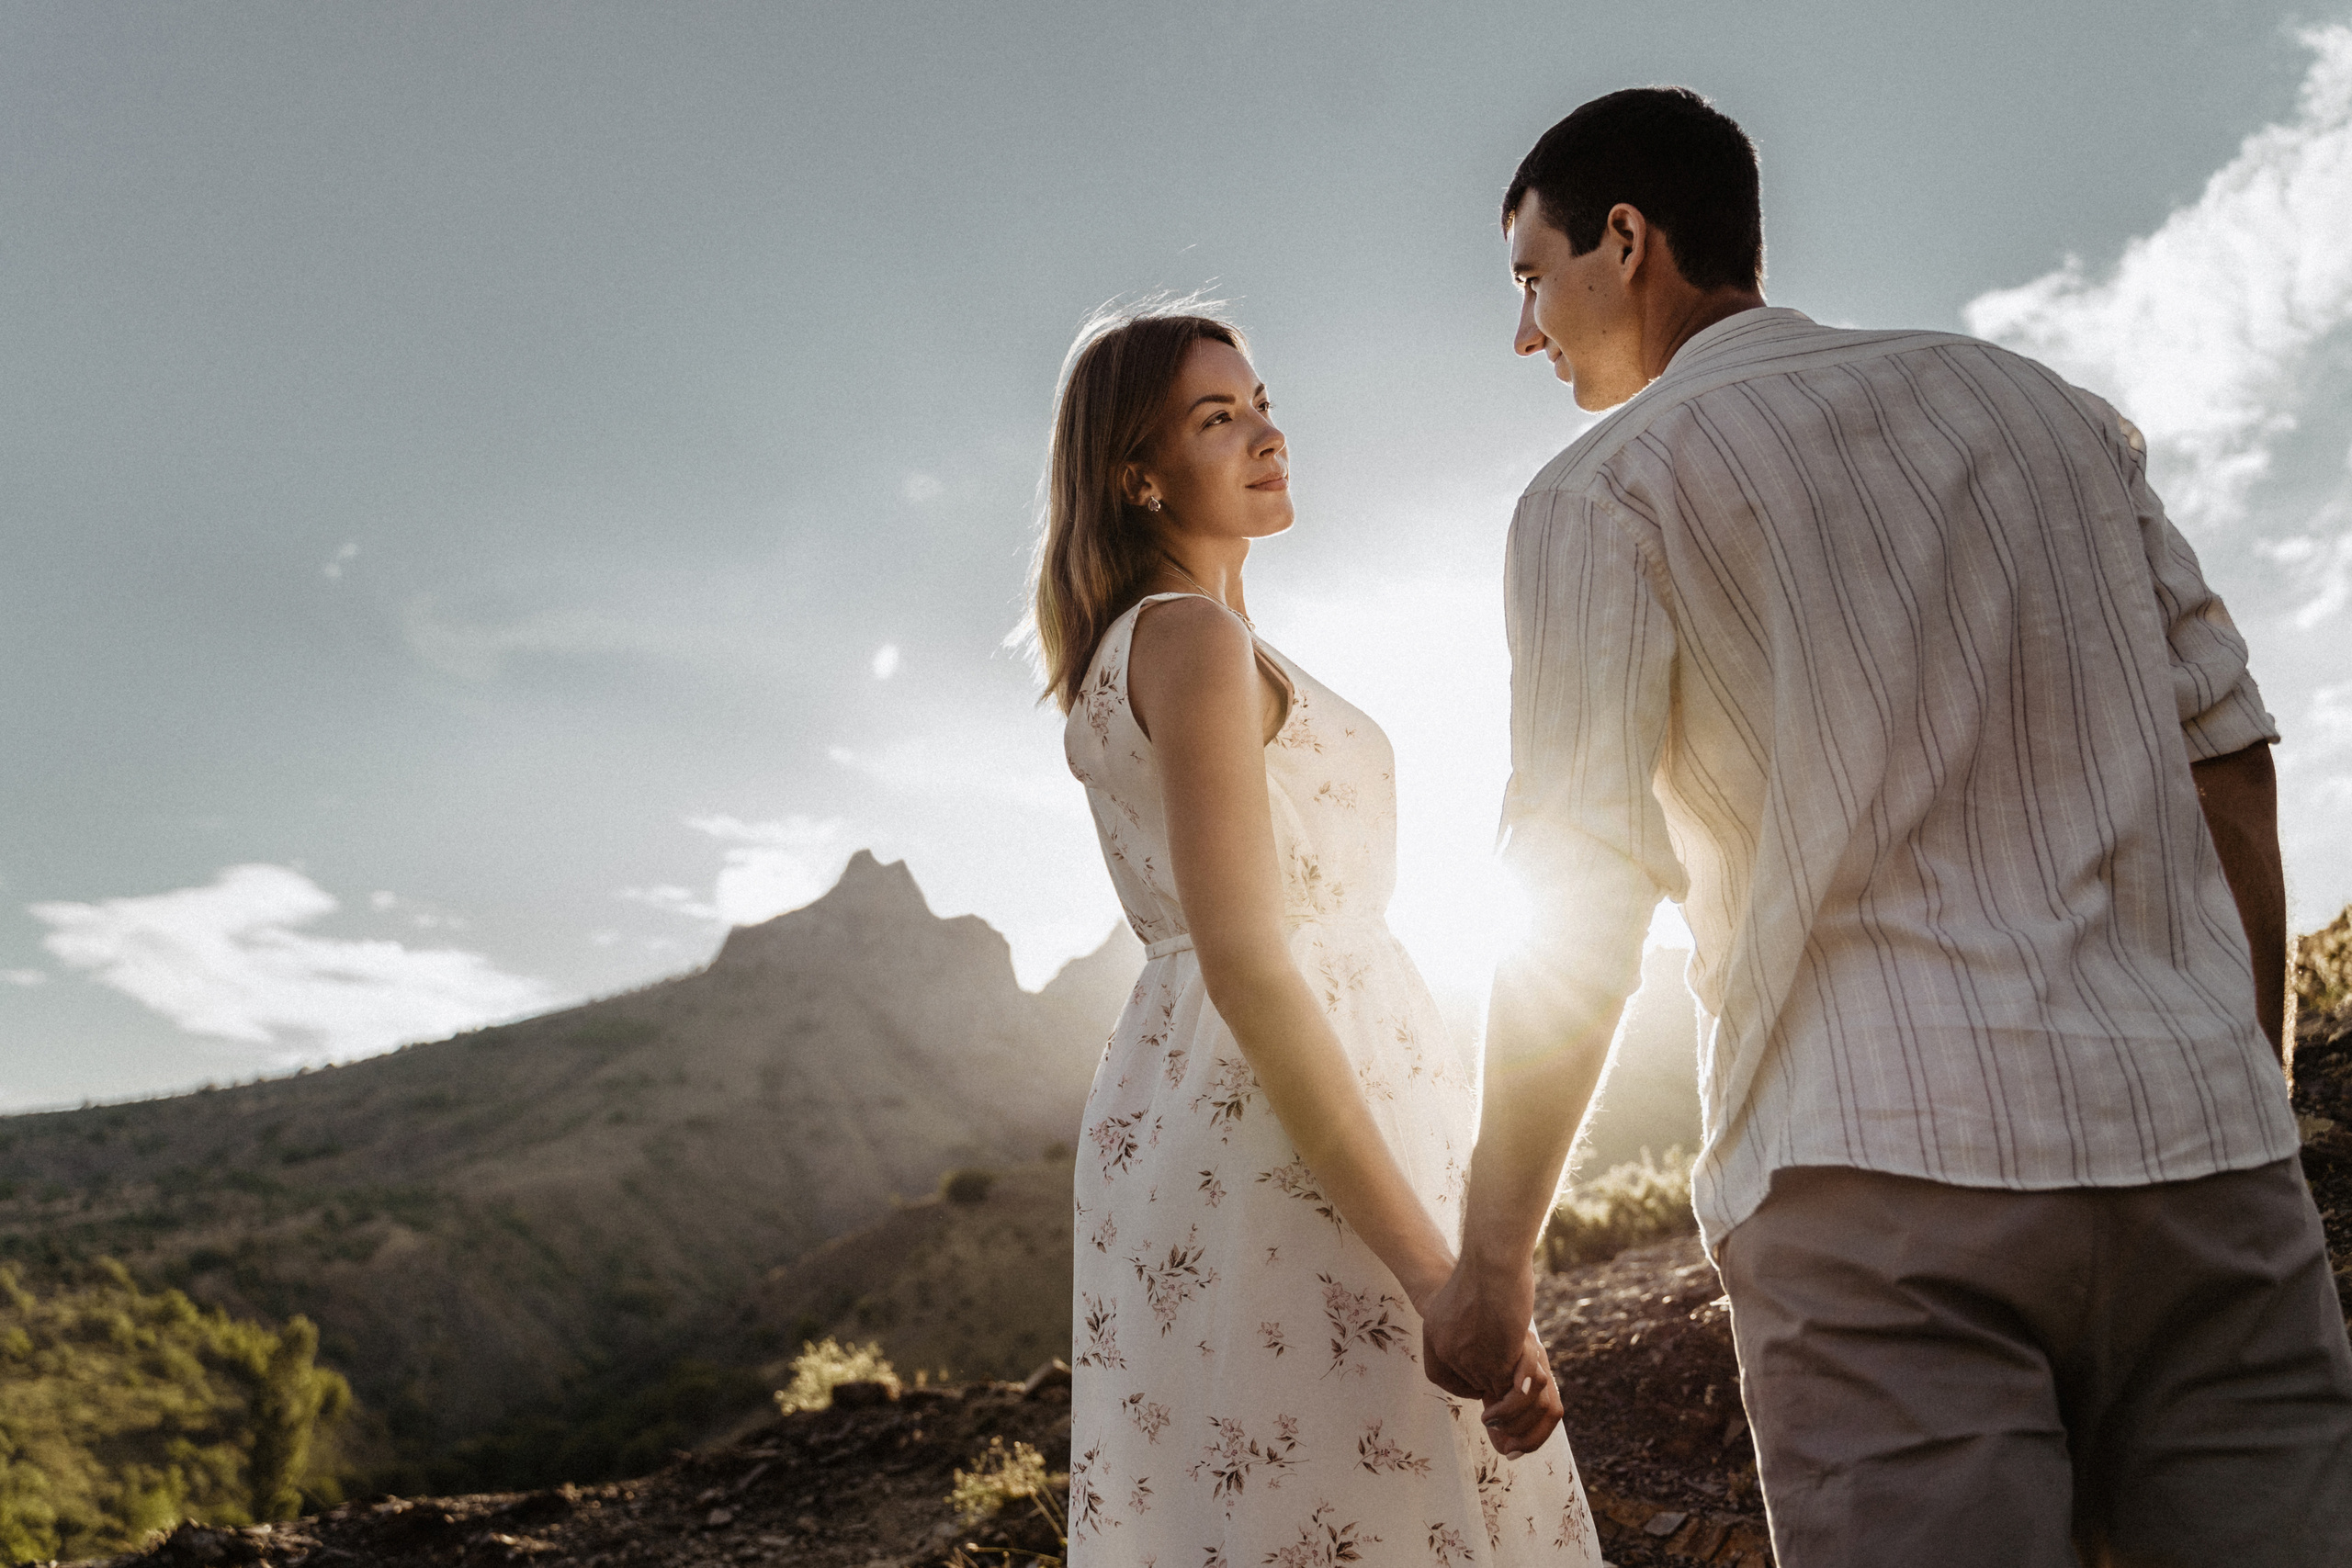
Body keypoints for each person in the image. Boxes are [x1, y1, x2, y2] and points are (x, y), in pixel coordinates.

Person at [1419, 85, 2352, 1567]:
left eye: (1530, 279)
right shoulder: (2048, 412)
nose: (1525, 333)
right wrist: (2238, 1077)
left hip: (1876, 1188)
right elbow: (2230, 760)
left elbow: (1582, 879)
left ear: (1626, 239)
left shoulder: (1601, 495)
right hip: (2202, 1172)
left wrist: (1493, 1261)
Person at [1035, 305, 1599, 1565]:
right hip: (1288, 1128)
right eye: (1217, 418)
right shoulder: (1187, 637)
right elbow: (1246, 961)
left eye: (1263, 402)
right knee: (1370, 1497)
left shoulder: (1154, 644)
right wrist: (1437, 1280)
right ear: (1138, 473)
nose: (1267, 433)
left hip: (1215, 1114)